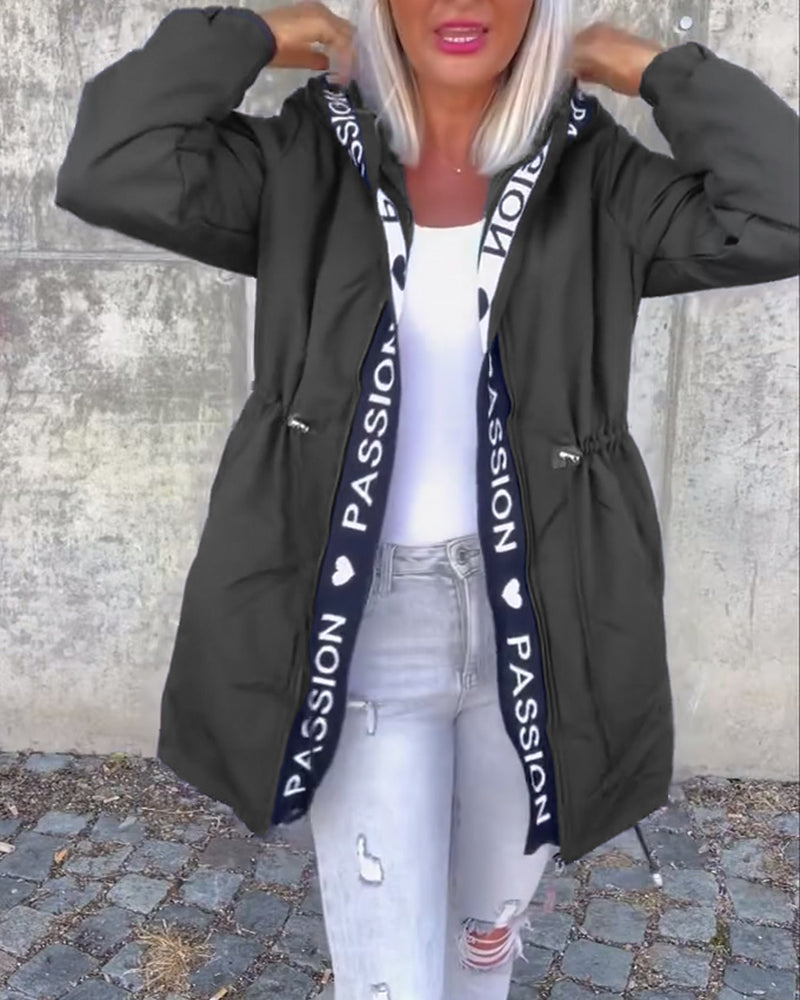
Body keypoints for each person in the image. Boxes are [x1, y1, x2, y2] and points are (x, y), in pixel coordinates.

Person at [54, 1, 799, 997]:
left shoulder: (598, 176)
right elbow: (109, 165)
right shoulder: (303, 163)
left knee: (482, 940)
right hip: (365, 628)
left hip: (546, 618)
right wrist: (255, 35)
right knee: (392, 982)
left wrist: (643, 65)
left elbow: (782, 209)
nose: (460, 2)